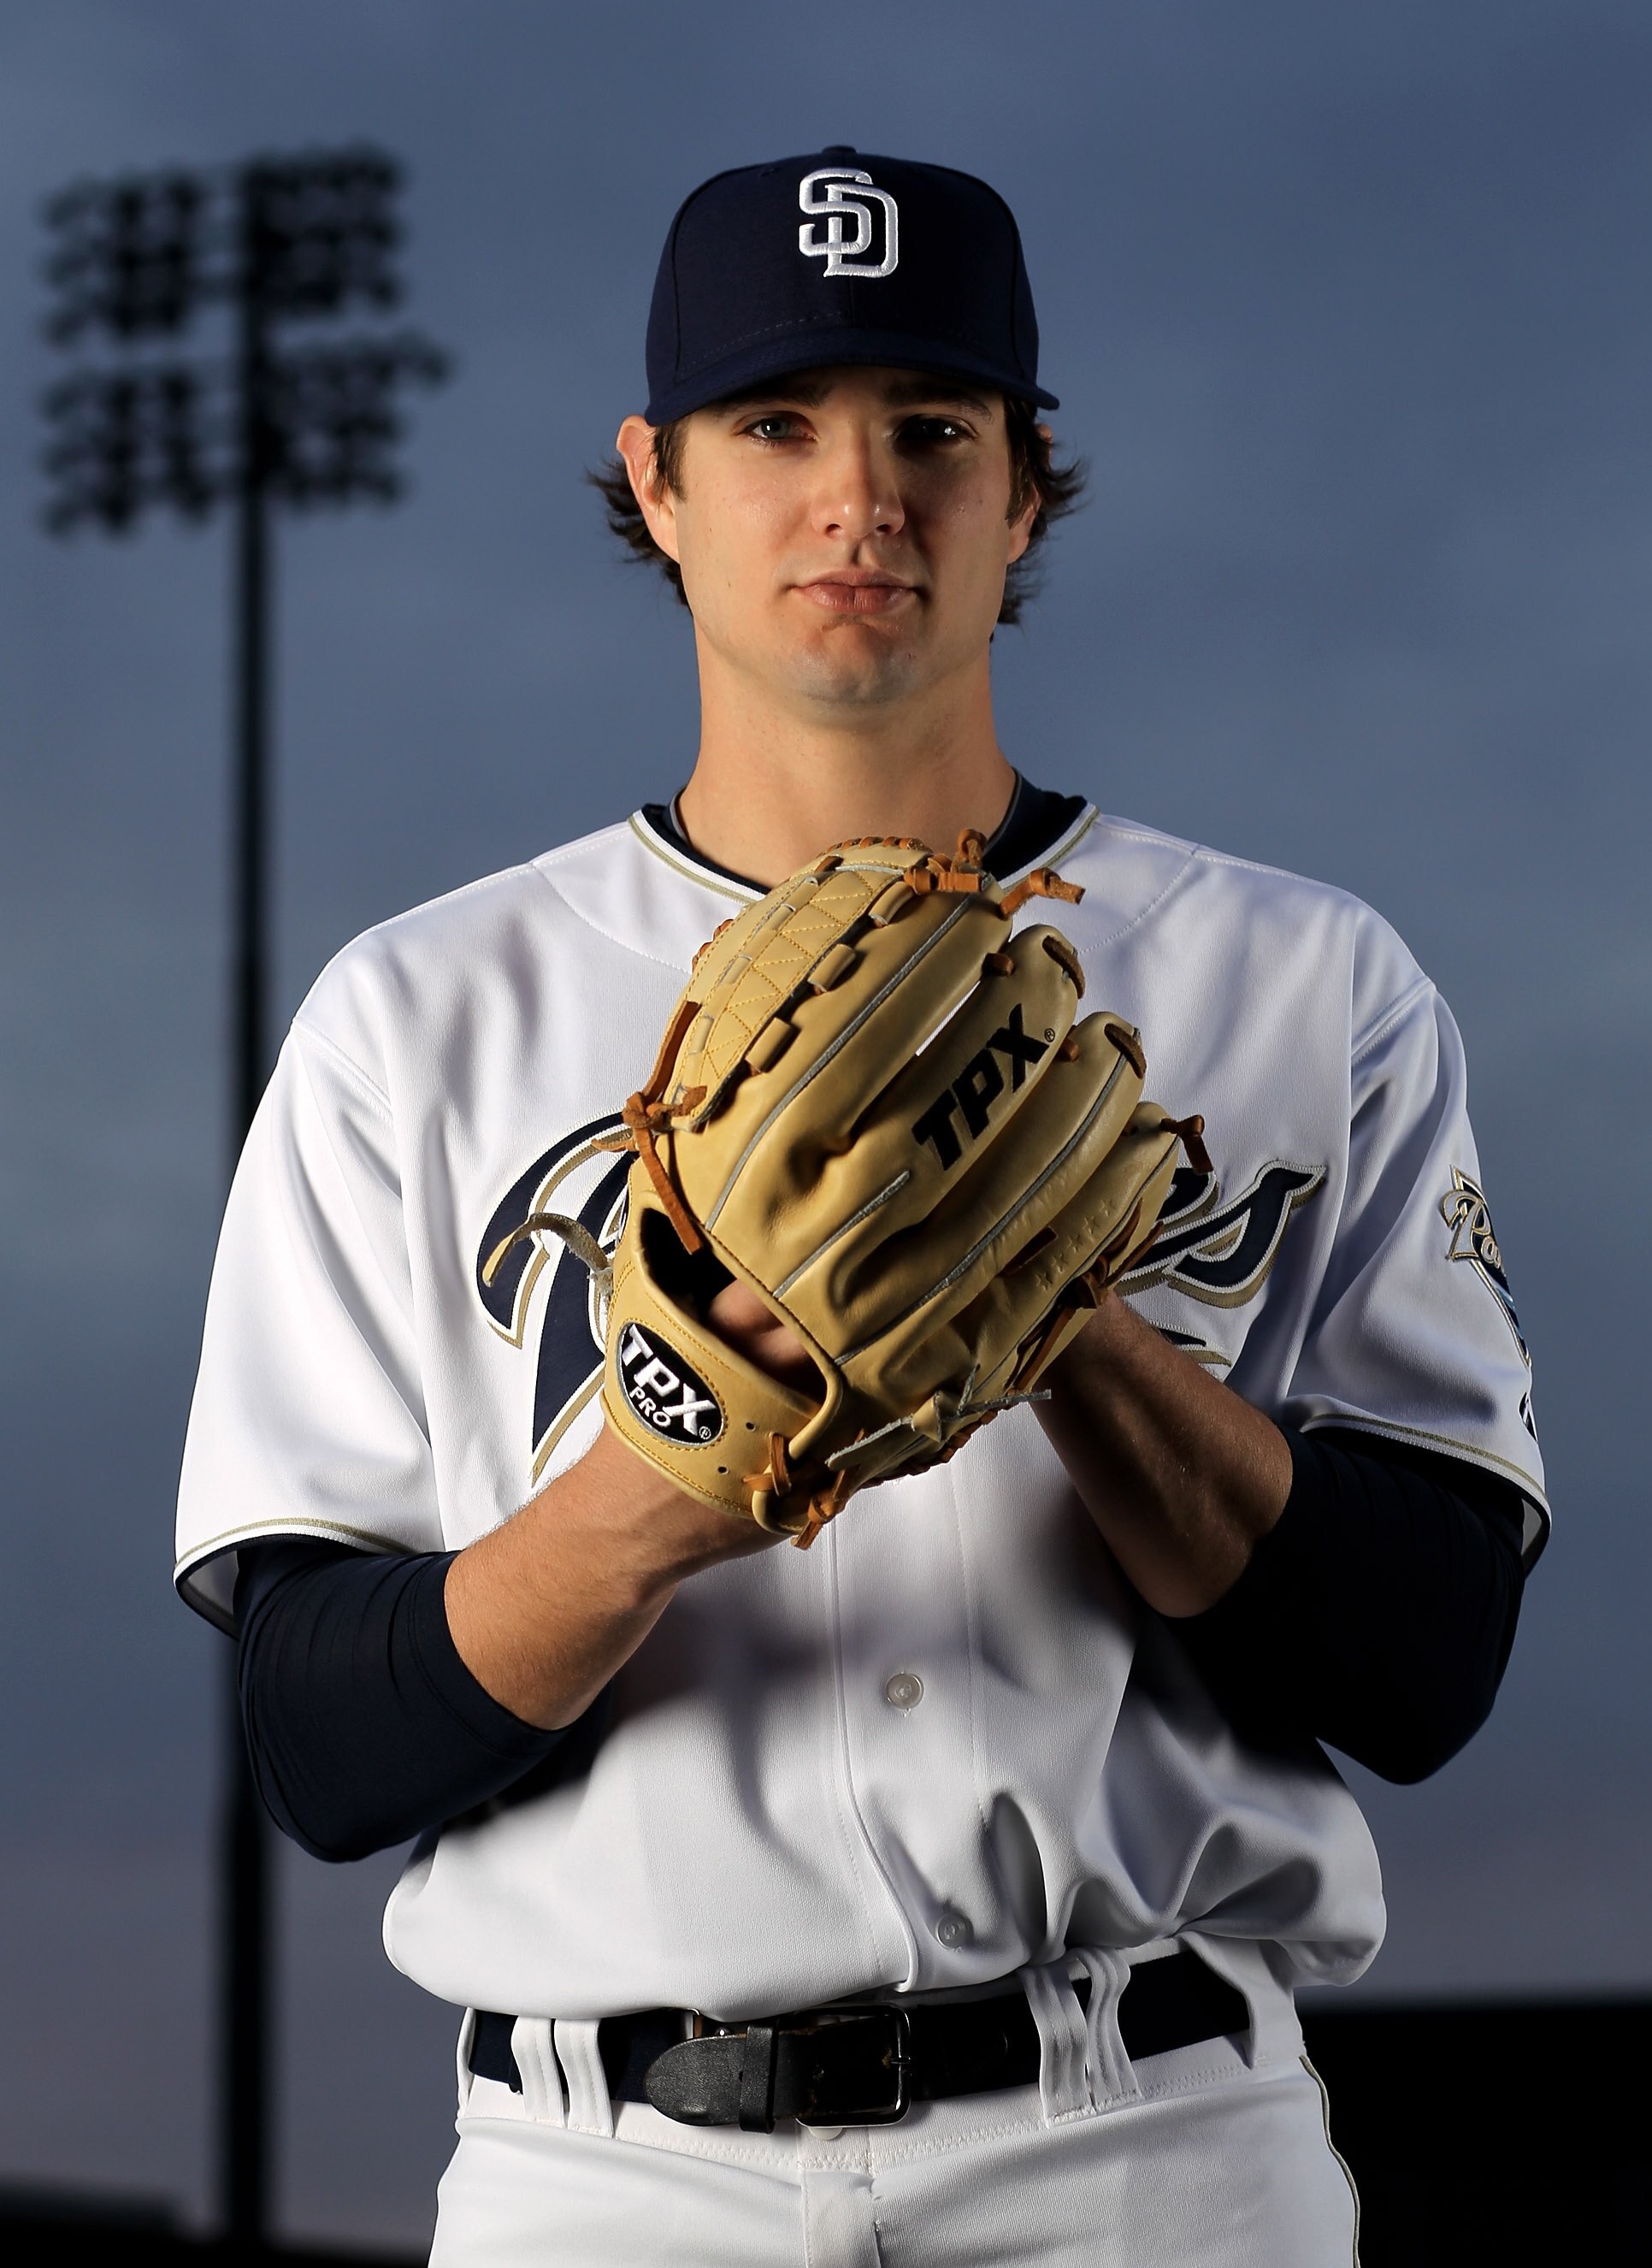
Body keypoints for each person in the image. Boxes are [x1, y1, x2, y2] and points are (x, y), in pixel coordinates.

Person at [175, 147, 1546, 2266]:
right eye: (776, 426)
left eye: (931, 428)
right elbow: (318, 1741)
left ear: (1025, 481)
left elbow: (1425, 1663)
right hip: (602, 2181)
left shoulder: (1305, 982)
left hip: (1148, 2155)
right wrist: (661, 1480)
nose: (860, 498)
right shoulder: (420, 1013)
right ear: (656, 480)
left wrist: (1053, 1311)